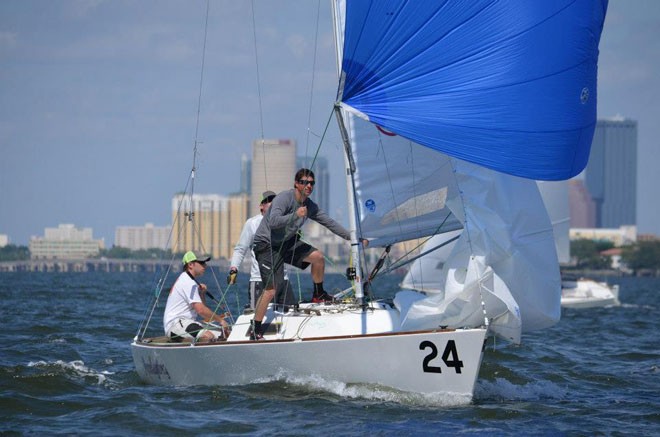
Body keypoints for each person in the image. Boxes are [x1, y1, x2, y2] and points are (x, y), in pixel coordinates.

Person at [249, 168, 367, 340]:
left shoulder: (310, 206)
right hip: (266, 245)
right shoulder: (284, 198)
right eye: (304, 182)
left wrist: (353, 237)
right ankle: (256, 328)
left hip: (286, 243)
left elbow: (329, 223)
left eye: (311, 183)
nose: (308, 185)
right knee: (271, 289)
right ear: (296, 184)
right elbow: (273, 221)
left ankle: (318, 293)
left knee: (318, 257)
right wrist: (294, 215)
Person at [227, 190, 295, 309]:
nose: (273, 204)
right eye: (269, 201)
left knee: (291, 316)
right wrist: (234, 268)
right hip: (259, 279)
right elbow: (240, 249)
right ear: (261, 206)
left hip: (283, 280)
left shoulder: (283, 222)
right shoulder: (252, 223)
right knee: (259, 316)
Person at [163, 251, 229, 342]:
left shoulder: (189, 280)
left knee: (224, 335)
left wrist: (201, 294)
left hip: (185, 323)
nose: (205, 266)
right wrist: (220, 320)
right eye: (201, 263)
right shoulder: (188, 282)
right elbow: (200, 310)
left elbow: (202, 313)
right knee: (208, 336)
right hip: (176, 324)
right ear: (190, 265)